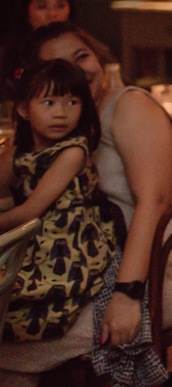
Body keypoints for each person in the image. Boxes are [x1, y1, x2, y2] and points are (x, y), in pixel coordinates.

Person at [0, 23, 172, 387]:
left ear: (98, 57)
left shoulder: (128, 104)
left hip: (159, 271)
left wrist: (127, 295)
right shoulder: (73, 118)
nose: (79, 70)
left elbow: (154, 203)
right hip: (106, 259)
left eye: (82, 56)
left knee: (7, 345)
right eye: (57, 68)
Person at [1, 59, 115, 343]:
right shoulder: (23, 148)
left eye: (72, 102)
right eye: (49, 103)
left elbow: (31, 210)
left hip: (63, 247)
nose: (61, 113)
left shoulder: (73, 151)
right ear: (24, 109)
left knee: (15, 314)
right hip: (32, 238)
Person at [2, 0, 75, 98]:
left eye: (60, 6)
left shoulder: (84, 49)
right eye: (42, 7)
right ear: (26, 14)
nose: (52, 14)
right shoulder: (10, 56)